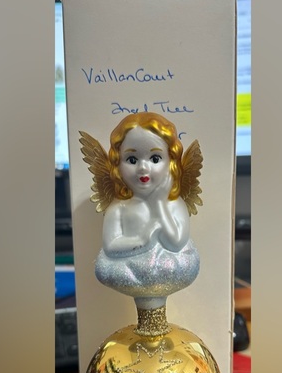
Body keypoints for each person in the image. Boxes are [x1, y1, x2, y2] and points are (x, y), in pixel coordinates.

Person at [80, 113, 203, 310]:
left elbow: (177, 242)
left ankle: (155, 315)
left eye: (155, 158)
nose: (143, 168)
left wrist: (159, 205)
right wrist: (143, 240)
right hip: (129, 270)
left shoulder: (174, 204)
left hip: (168, 267)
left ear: (171, 162)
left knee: (181, 264)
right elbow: (110, 246)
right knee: (105, 268)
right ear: (117, 164)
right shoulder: (118, 207)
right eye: (132, 159)